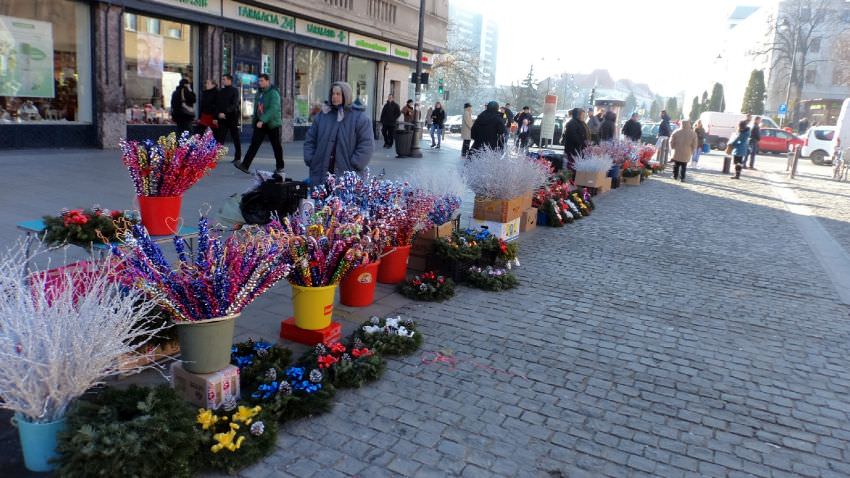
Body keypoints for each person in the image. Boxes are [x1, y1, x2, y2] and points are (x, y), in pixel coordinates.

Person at [303, 81, 374, 185]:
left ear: (346, 95)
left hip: (347, 171)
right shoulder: (322, 116)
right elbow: (310, 139)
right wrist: (311, 159)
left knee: (342, 199)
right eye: (333, 93)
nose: (334, 97)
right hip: (321, 170)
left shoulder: (359, 118)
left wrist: (356, 163)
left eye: (338, 94)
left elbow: (366, 144)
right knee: (321, 198)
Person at [236, 73, 283, 174]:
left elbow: (273, 109)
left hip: (271, 123)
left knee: (276, 146)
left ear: (267, 81)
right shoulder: (259, 92)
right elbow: (257, 107)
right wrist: (256, 119)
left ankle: (280, 166)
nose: (260, 83)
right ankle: (245, 165)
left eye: (262, 81)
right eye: (259, 81)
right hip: (260, 122)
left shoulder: (273, 93)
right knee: (254, 144)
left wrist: (263, 120)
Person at [215, 74, 242, 164]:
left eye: (224, 79)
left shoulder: (234, 90)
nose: (223, 81)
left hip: (232, 117)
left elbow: (234, 104)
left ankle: (237, 157)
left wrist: (225, 112)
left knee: (235, 137)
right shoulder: (220, 91)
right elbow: (217, 104)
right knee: (220, 137)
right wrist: (218, 114)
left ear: (229, 80)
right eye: (222, 79)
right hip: (222, 118)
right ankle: (216, 156)